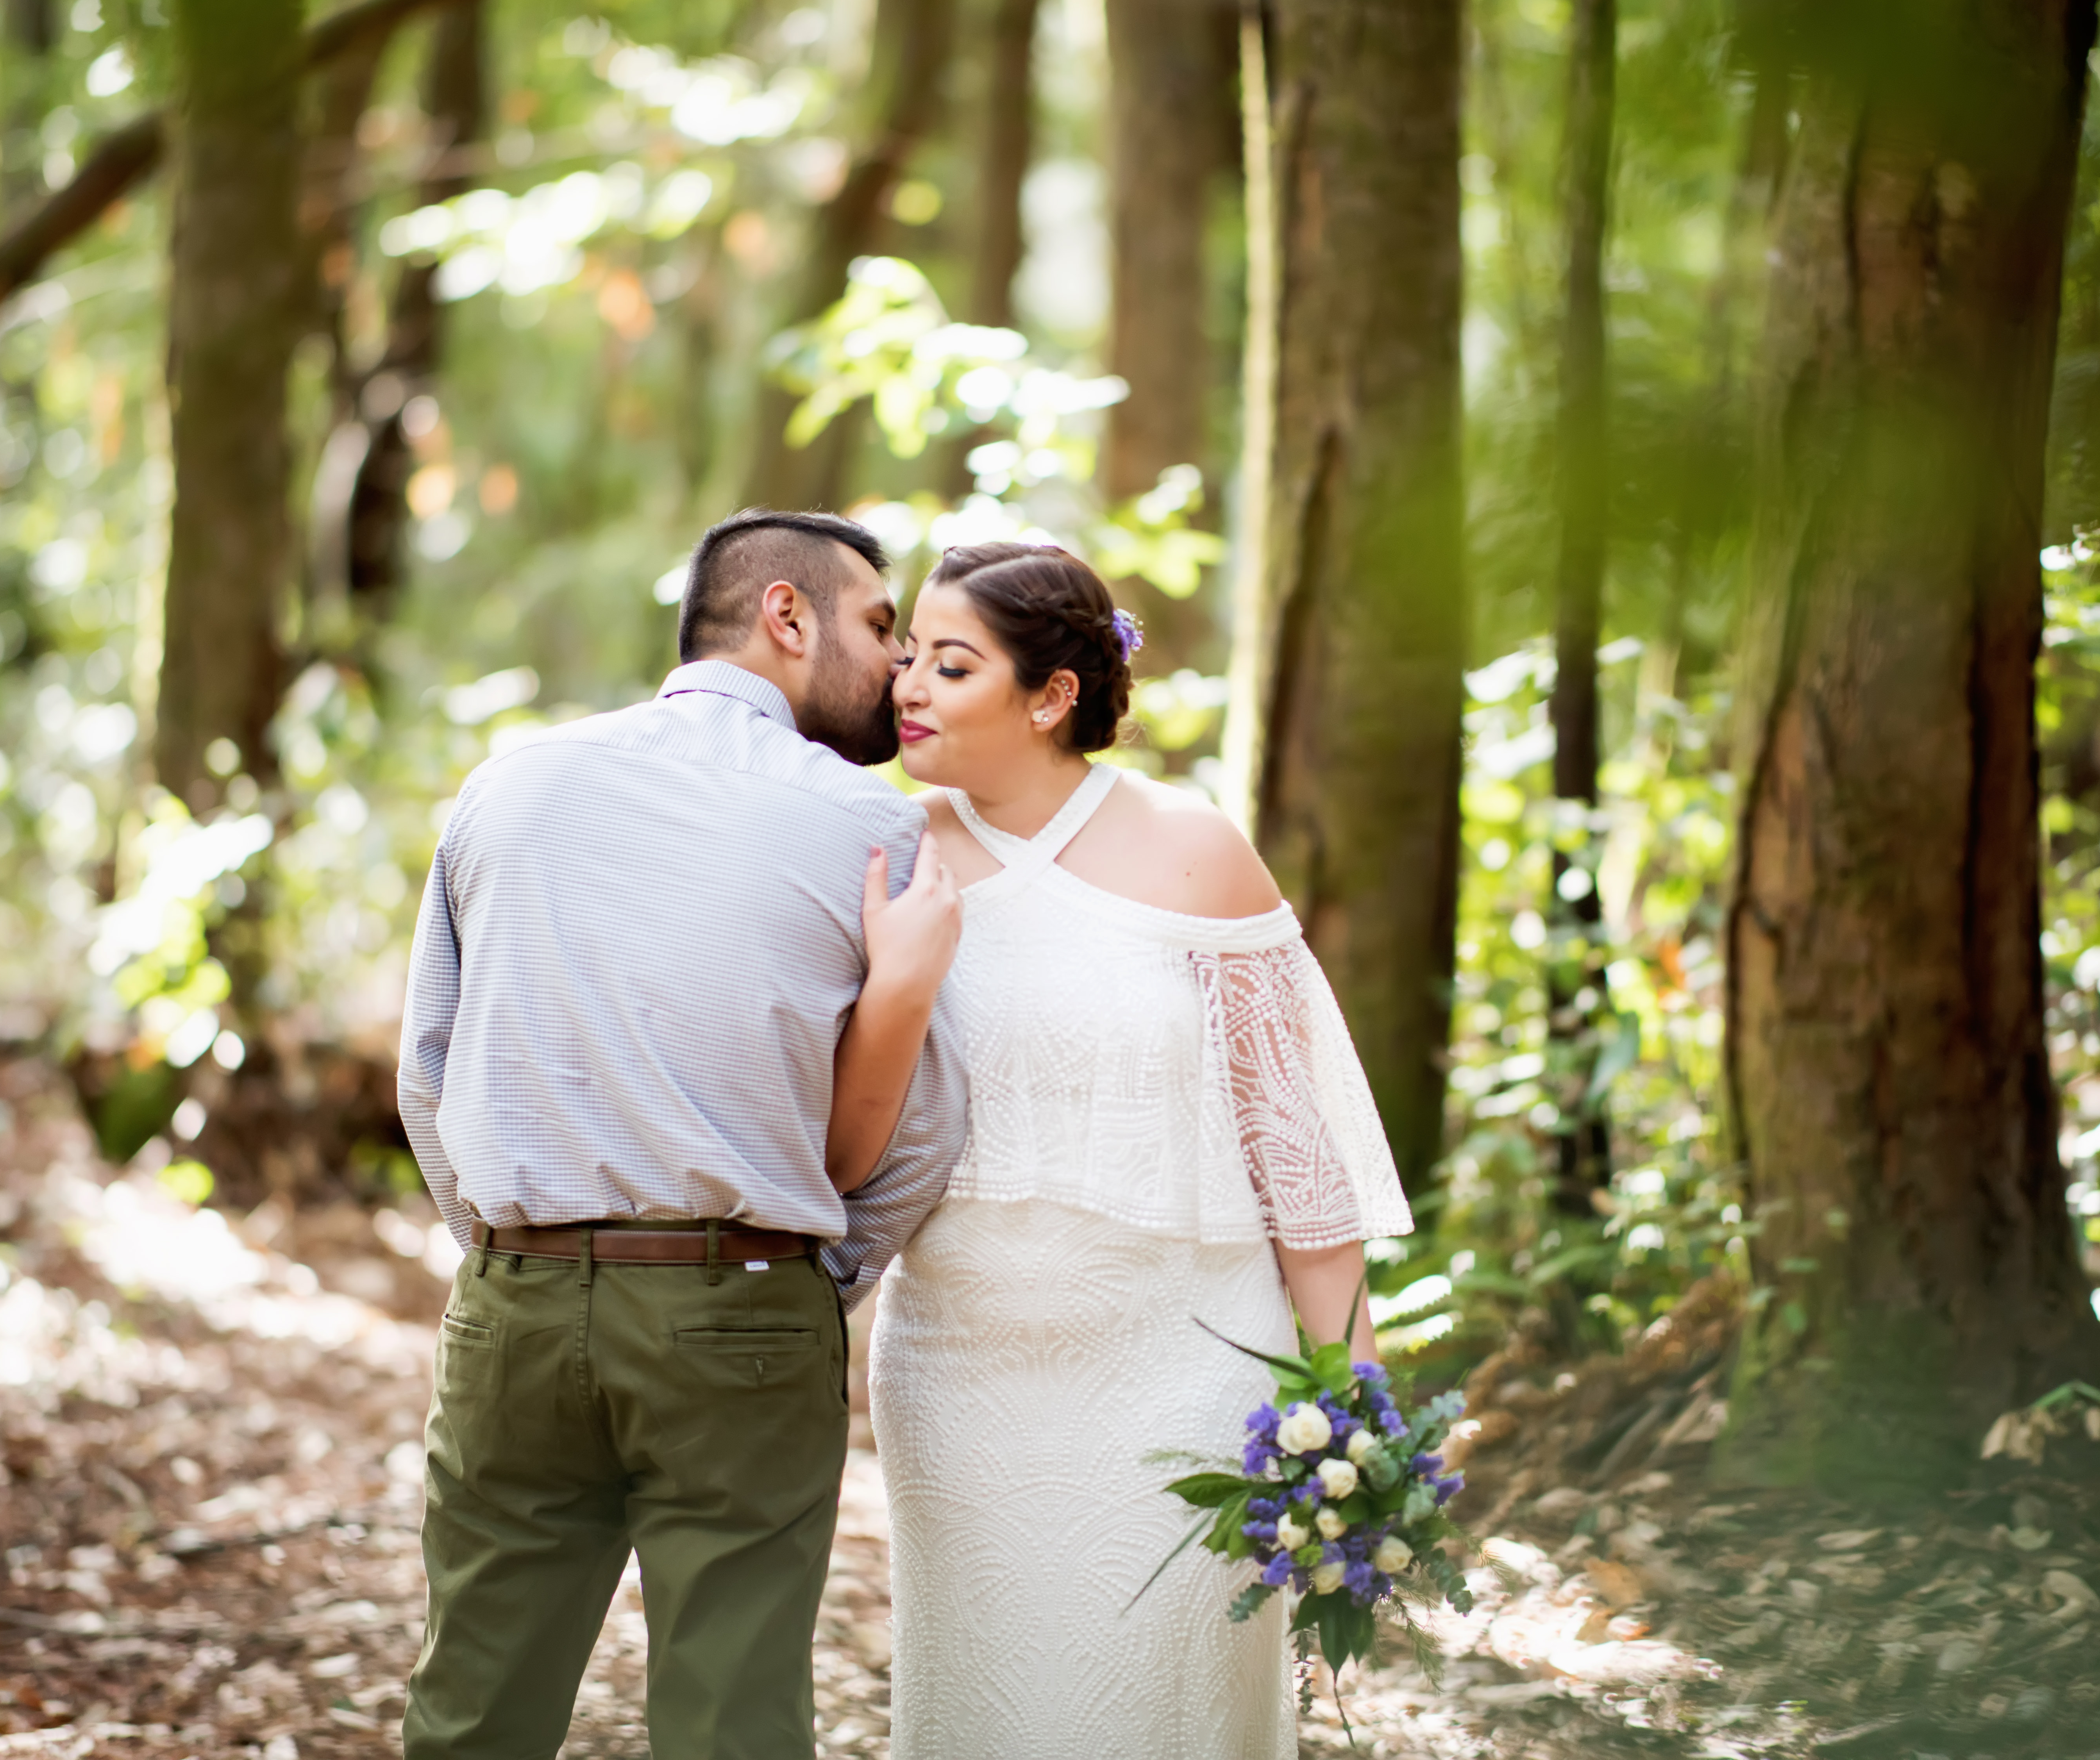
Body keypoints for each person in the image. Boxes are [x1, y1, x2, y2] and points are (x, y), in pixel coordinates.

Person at [394, 511, 967, 1760]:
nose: (901, 666)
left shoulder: (508, 786)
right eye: (881, 627)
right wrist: (807, 1275)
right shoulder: (875, 831)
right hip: (742, 1314)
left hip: (512, 1311)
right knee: (734, 1722)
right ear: (786, 615)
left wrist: (517, 1250)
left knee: (470, 1715)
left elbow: (426, 1077)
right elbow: (927, 1128)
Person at [869, 542, 1414, 1760]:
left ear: (1052, 695)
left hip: (1184, 1368)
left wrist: (1355, 1405)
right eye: (908, 656)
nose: (908, 685)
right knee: (986, 1703)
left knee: (1161, 1710)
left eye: (950, 666)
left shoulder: (1196, 849)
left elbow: (1297, 1153)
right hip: (960, 1377)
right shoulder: (888, 848)